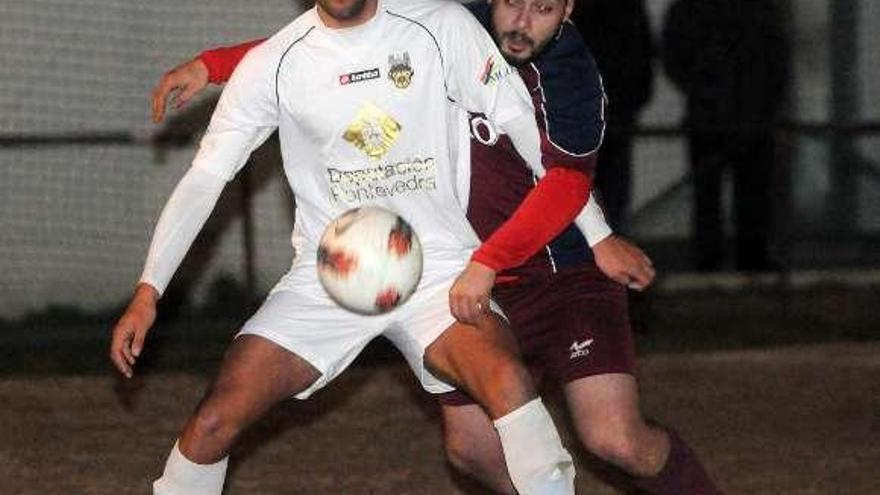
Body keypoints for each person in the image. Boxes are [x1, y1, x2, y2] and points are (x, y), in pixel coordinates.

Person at [151, 1, 723, 494]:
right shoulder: (454, 24)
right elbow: (342, 36)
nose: (521, 22)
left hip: (555, 273)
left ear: (568, 10)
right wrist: (216, 65)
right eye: (512, 3)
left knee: (613, 437)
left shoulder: (570, 78)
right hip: (462, 276)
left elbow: (566, 183)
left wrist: (552, 248)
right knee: (471, 452)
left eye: (543, 8)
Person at [661, 0, 790, 271]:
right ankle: (751, 255)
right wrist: (766, 103)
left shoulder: (689, 9)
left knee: (708, 195)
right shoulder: (760, 10)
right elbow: (777, 57)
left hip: (710, 117)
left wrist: (702, 91)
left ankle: (711, 257)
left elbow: (674, 57)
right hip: (751, 115)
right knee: (751, 193)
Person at [569, 0, 654, 232]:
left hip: (577, 111)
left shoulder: (568, 10)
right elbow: (641, 52)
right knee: (613, 189)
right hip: (616, 109)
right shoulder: (627, 9)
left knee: (574, 189)